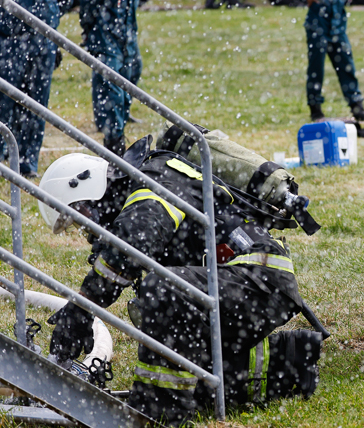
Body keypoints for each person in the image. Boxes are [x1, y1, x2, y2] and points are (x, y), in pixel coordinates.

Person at [39, 139, 323, 426]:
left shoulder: (152, 181)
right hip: (249, 283)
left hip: (257, 276)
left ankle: (159, 411)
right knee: (193, 375)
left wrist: (81, 309)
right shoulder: (142, 186)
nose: (87, 229)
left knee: (162, 291)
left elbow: (134, 243)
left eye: (82, 216)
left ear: (88, 187)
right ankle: (291, 359)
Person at [0, 0, 73, 178]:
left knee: (36, 104)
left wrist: (47, 21)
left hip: (42, 45)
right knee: (5, 102)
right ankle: (2, 156)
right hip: (9, 43)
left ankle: (28, 161)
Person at [81, 0, 151, 156]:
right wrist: (90, 31)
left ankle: (119, 121)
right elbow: (90, 1)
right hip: (106, 36)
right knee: (113, 88)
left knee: (133, 75)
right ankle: (114, 140)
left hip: (127, 37)